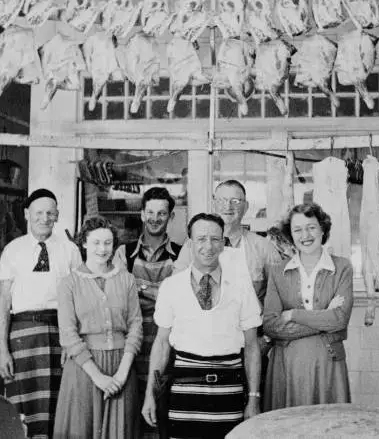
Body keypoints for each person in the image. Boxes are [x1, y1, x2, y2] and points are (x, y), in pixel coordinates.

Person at [142, 213, 262, 439]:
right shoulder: (171, 286)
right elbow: (161, 344)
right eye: (201, 239)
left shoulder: (240, 286)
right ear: (190, 243)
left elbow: (252, 346)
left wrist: (254, 398)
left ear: (223, 243)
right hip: (184, 395)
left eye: (215, 239)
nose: (209, 246)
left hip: (230, 393)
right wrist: (150, 393)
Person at [0, 188, 82, 439]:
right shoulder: (13, 250)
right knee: (23, 406)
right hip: (23, 335)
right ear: (26, 214)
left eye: (50, 213)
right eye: (38, 213)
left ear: (57, 215)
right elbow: (3, 302)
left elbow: (77, 300)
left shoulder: (70, 250)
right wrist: (3, 351)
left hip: (60, 334)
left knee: (59, 404)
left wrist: (71, 341)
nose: (44, 218)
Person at [53, 216, 143, 438]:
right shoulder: (69, 283)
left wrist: (121, 375)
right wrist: (98, 377)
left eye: (108, 243)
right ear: (83, 243)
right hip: (84, 370)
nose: (102, 249)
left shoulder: (127, 279)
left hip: (121, 366)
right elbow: (68, 335)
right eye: (95, 243)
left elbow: (135, 326)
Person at [262, 202, 354, 411]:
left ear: (323, 229)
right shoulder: (278, 272)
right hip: (286, 365)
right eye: (297, 229)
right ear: (290, 235)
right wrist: (324, 318)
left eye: (311, 227)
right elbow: (270, 325)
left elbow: (339, 319)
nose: (305, 235)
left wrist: (293, 314)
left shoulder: (341, 268)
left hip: (328, 364)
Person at [112, 187, 182, 438]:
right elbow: (121, 296)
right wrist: (162, 289)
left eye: (162, 213)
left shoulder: (182, 253)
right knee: (130, 412)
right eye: (150, 212)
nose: (155, 218)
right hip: (133, 341)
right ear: (141, 214)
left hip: (167, 342)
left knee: (162, 405)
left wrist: (139, 286)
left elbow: (178, 299)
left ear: (171, 217)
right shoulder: (124, 252)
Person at [174, 180, 281, 306]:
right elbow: (177, 290)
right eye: (222, 200)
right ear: (214, 205)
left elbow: (279, 296)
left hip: (250, 324)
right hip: (202, 323)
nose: (228, 206)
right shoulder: (192, 246)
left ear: (246, 206)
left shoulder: (263, 247)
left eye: (235, 201)